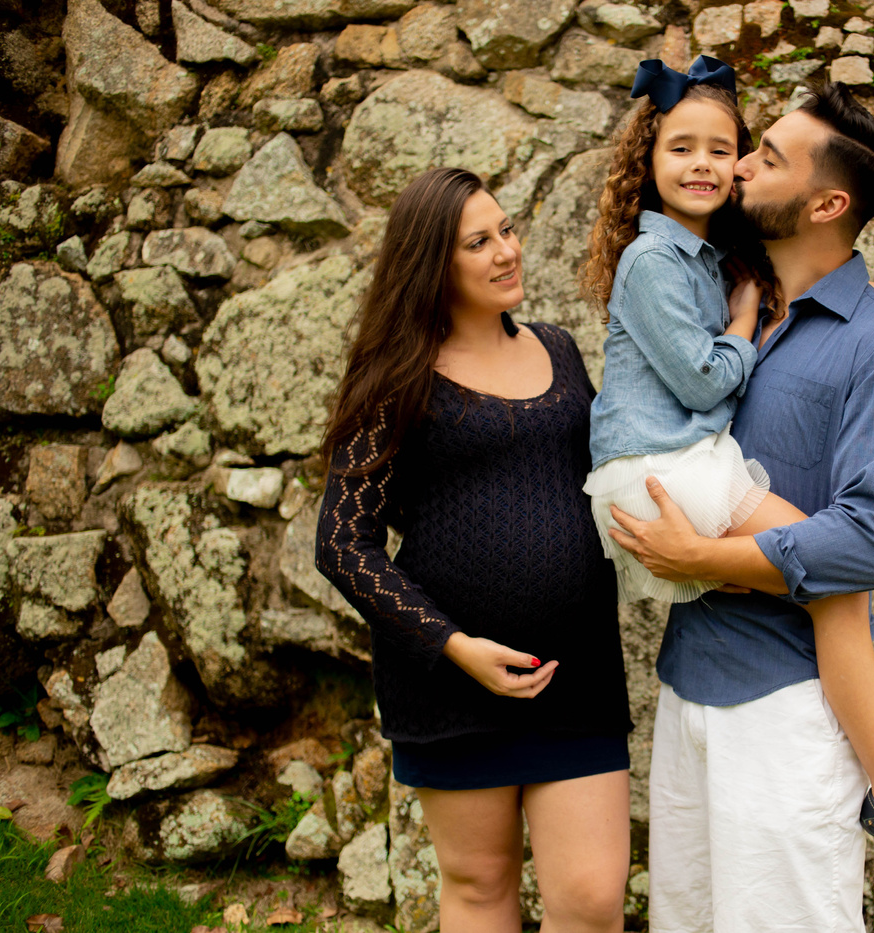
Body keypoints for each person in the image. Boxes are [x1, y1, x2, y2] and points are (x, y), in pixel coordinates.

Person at [603, 82, 874, 932]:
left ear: (827, 204)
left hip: (784, 710)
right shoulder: (717, 299)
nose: (739, 165)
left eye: (768, 158)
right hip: (685, 685)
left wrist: (705, 558)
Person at [315, 167, 632, 933]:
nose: (507, 251)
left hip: (576, 673)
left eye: (507, 230)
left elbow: (606, 476)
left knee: (592, 898)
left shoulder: (560, 350)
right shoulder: (396, 378)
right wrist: (455, 647)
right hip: (453, 683)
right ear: (432, 262)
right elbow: (344, 542)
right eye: (478, 242)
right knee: (481, 884)